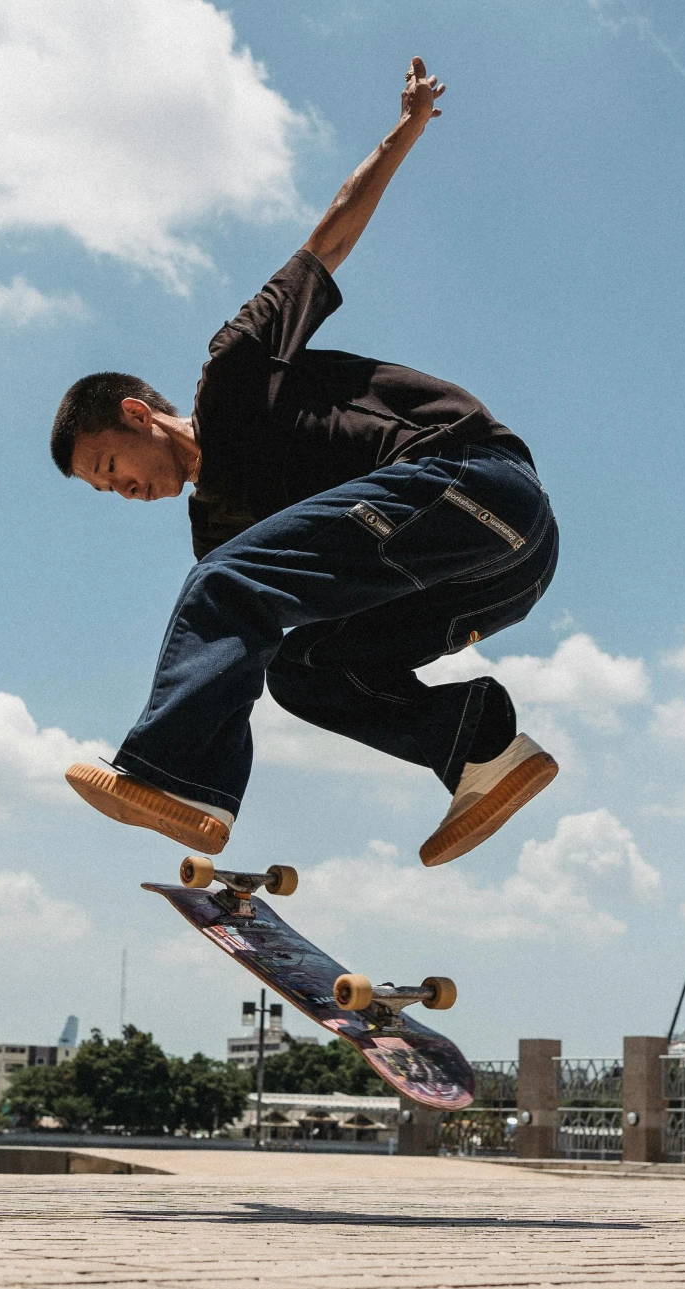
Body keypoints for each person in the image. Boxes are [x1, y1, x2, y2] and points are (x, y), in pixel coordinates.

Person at [49, 56, 559, 868]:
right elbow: (228, 656)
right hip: (489, 578)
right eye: (109, 491)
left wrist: (407, 129)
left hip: (474, 486)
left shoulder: (234, 372)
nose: (127, 492)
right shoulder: (219, 526)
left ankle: (177, 776)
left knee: (225, 585)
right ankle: (484, 750)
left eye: (113, 466)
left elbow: (332, 237)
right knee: (299, 666)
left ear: (137, 414)